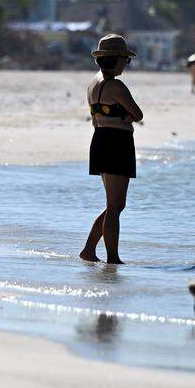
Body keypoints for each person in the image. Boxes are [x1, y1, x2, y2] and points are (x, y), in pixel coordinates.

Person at [80, 34, 143, 265]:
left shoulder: (93, 84)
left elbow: (97, 117)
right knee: (115, 206)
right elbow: (138, 114)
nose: (126, 64)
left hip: (99, 140)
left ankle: (89, 250)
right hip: (118, 142)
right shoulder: (116, 86)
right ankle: (112, 258)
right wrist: (125, 116)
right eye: (125, 60)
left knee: (113, 205)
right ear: (116, 60)